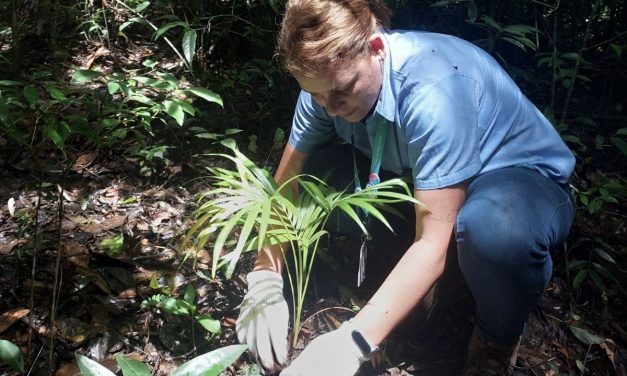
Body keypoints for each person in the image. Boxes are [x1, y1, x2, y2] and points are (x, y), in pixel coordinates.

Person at [235, 0, 576, 375]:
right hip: (422, 178)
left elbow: (432, 242)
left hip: (513, 179)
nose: (330, 108)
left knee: (495, 233)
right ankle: (432, 273)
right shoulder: (326, 82)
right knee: (313, 178)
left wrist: (354, 341)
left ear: (377, 49)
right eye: (316, 95)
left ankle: (496, 337)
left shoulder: (434, 88)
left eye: (343, 90)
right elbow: (289, 183)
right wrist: (265, 275)